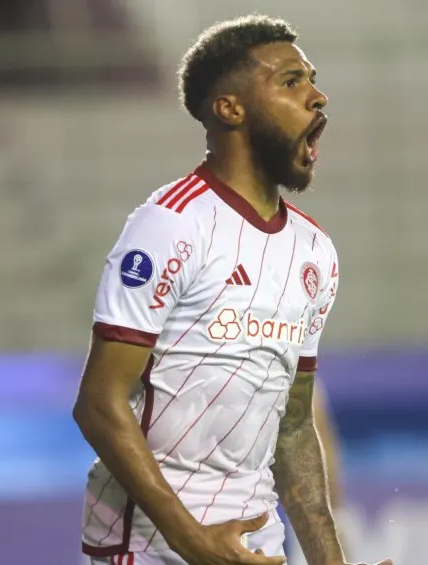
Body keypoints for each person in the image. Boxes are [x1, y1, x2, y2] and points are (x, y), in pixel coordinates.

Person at [72, 13, 392, 565]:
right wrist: (194, 543)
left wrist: (330, 561)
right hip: (150, 548)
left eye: (312, 79)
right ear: (230, 108)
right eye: (291, 80)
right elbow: (99, 404)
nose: (317, 96)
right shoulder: (171, 226)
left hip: (255, 545)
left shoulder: (314, 252)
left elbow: (294, 424)